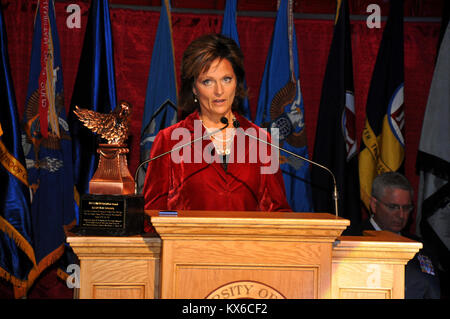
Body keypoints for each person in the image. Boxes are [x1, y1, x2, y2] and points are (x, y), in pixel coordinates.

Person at [142, 34, 291, 212]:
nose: (219, 91)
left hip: (247, 240)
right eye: (208, 81)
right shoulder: (169, 141)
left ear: (236, 83)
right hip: (187, 240)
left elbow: (278, 211)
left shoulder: (261, 141)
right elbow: (151, 214)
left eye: (226, 79)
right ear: (194, 88)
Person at [355, 172, 440, 299]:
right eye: (393, 207)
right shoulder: (351, 241)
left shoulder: (420, 247)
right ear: (374, 204)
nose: (401, 215)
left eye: (406, 208)